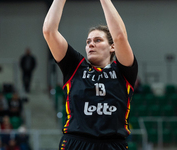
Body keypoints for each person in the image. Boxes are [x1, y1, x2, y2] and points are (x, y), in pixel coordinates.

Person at [43, 0, 138, 150]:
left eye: (97, 40)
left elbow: (119, 36)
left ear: (112, 47)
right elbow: (49, 31)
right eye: (88, 42)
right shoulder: (75, 67)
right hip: (76, 142)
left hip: (113, 143)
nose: (90, 44)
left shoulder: (123, 71)